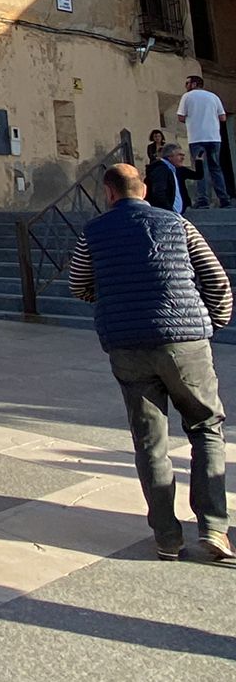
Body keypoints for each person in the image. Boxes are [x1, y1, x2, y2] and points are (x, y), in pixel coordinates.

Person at [69, 163, 233, 562]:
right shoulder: (178, 224)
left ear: (109, 194)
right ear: (142, 189)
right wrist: (212, 320)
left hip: (127, 343)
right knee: (206, 427)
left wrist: (114, 304)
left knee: (149, 439)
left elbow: (79, 284)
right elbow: (216, 279)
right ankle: (212, 527)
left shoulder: (92, 233)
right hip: (185, 339)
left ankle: (166, 535)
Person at [177, 75, 231, 207]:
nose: (186, 86)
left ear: (194, 84)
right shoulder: (213, 97)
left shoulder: (187, 97)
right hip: (214, 138)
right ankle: (224, 199)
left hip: (197, 138)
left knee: (200, 169)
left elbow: (180, 117)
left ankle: (203, 199)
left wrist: (194, 118)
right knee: (216, 168)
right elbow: (223, 117)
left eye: (187, 83)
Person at [146, 143, 191, 215]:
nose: (183, 158)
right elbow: (159, 193)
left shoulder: (171, 169)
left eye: (183, 155)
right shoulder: (161, 169)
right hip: (164, 216)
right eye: (179, 155)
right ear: (169, 156)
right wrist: (169, 212)